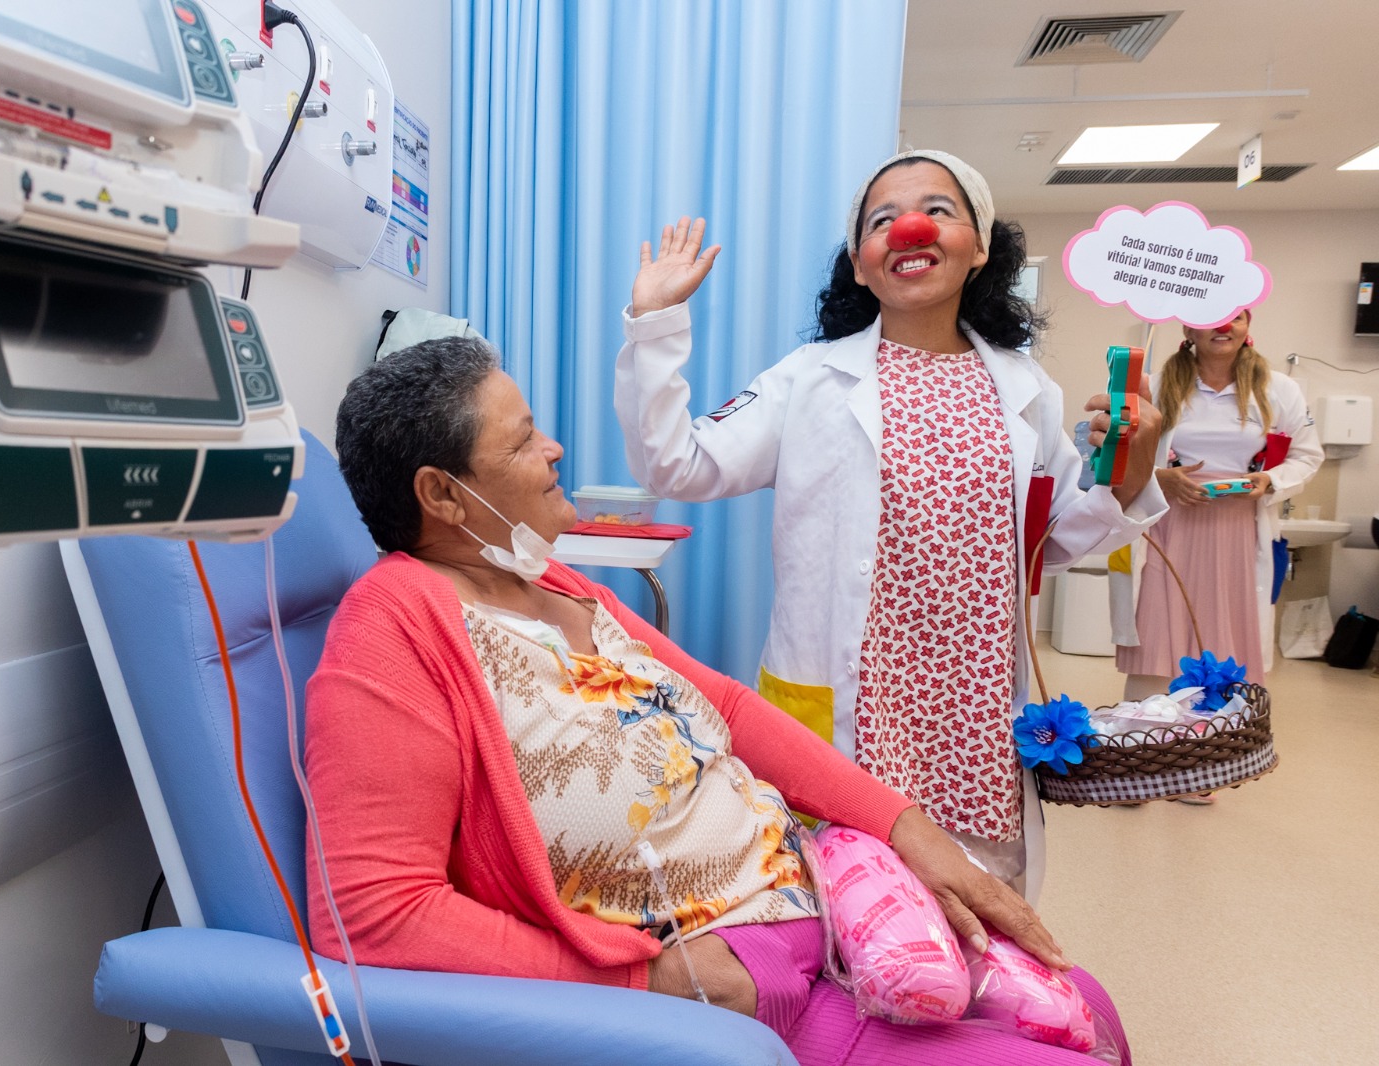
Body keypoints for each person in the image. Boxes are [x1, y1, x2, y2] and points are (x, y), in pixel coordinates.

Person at [304, 337, 1131, 1065]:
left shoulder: (548, 580)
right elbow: (374, 913)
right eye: (522, 441)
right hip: (742, 998)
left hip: (822, 902)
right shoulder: (393, 631)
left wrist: (907, 831)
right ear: (443, 496)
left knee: (1092, 1011)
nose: (553, 449)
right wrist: (658, 980)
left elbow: (726, 707)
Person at [613, 150, 1167, 901]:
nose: (911, 229)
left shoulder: (1025, 389)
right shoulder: (809, 379)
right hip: (852, 713)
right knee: (849, 915)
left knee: (981, 917)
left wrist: (1133, 467)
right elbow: (675, 465)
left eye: (939, 211)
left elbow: (1054, 539)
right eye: (883, 221)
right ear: (861, 264)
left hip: (971, 724)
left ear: (980, 247)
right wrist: (655, 326)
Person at [1115, 309, 1323, 701]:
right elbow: (1120, 455)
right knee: (1158, 631)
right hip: (1169, 527)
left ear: (1248, 327)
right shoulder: (1157, 386)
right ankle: (1148, 727)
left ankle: (1218, 732)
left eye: (1236, 317)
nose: (1224, 326)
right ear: (1189, 328)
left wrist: (1270, 480)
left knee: (1230, 633)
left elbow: (1308, 456)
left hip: (1238, 531)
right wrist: (1161, 478)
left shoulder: (1278, 389)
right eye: (1212, 317)